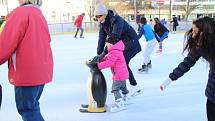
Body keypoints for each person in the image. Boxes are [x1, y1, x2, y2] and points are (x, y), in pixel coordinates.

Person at [0, 0, 53, 121]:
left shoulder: (21, 12)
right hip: (41, 70)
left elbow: (6, 44)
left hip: (27, 72)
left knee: (28, 109)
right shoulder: (38, 12)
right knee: (32, 107)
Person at [160, 16, 215, 121]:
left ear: (204, 32)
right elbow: (187, 63)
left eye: (195, 31)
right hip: (212, 94)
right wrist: (170, 79)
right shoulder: (200, 46)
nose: (193, 35)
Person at [94, 2, 142, 94]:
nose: (98, 19)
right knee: (120, 63)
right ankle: (124, 87)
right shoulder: (103, 24)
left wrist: (104, 53)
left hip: (131, 42)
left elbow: (114, 36)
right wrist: (99, 54)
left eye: (99, 16)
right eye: (96, 17)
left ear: (105, 14)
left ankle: (134, 86)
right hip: (121, 44)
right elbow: (101, 39)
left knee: (123, 62)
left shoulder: (116, 20)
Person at [90, 40, 129, 112]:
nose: (106, 46)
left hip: (118, 75)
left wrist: (98, 66)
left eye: (107, 44)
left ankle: (119, 102)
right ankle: (126, 97)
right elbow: (109, 58)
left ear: (112, 44)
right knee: (123, 86)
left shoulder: (114, 52)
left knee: (115, 89)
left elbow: (110, 62)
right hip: (123, 73)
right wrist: (102, 59)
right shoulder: (116, 50)